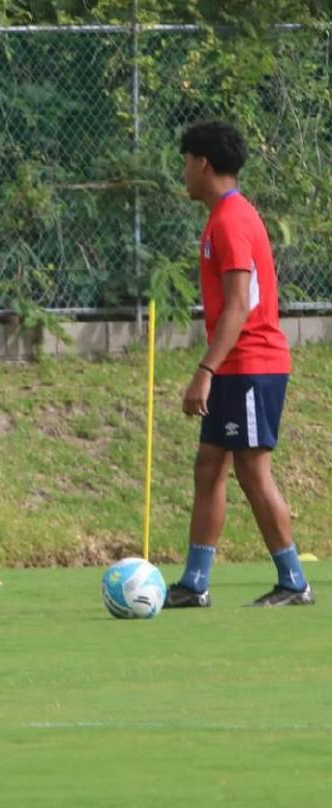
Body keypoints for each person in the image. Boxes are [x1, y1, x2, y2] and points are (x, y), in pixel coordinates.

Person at [166, 121, 312, 609]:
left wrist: (204, 371)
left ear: (202, 162)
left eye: (186, 162)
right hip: (237, 364)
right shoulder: (223, 216)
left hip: (251, 363)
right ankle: (194, 583)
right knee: (209, 467)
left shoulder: (231, 219)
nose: (183, 172)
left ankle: (294, 581)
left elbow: (238, 305)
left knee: (251, 470)